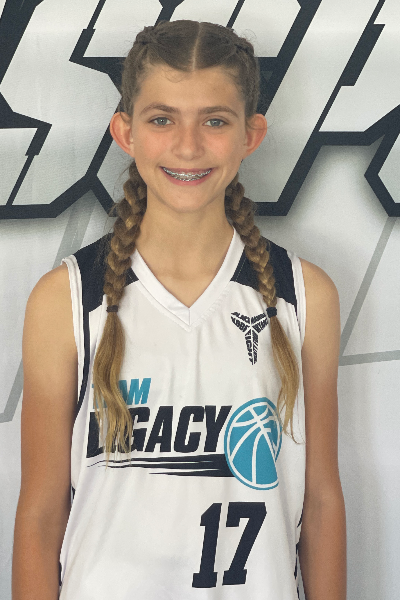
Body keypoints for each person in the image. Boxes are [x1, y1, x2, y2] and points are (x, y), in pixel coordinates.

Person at [12, 19, 346, 600]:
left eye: (215, 121)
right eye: (162, 119)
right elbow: (41, 514)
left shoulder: (304, 295)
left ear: (251, 134)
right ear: (125, 131)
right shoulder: (64, 298)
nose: (188, 146)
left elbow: (319, 504)